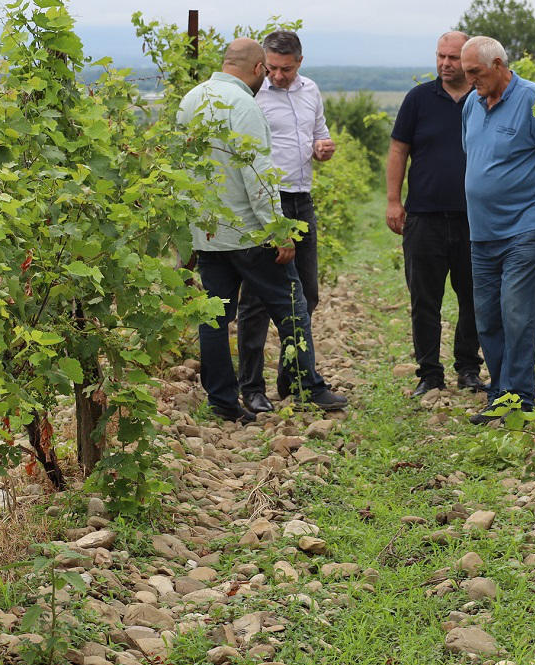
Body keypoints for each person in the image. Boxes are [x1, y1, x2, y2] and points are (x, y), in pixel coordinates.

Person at [177, 38, 347, 421]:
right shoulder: (245, 106)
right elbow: (258, 177)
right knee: (292, 306)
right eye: (266, 70)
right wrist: (278, 230)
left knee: (215, 318)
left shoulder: (191, 100)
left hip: (208, 231)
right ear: (258, 69)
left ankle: (223, 402)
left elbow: (183, 169)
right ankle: (308, 387)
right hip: (249, 233)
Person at [459, 35, 535, 424]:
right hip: (482, 232)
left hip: (526, 225)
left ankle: (519, 398)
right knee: (487, 316)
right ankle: (500, 394)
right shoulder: (472, 106)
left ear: (498, 65)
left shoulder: (533, 99)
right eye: (466, 73)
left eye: (475, 72)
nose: (469, 79)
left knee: (516, 313)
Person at [235, 29, 337, 413]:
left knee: (306, 294)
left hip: (301, 200)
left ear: (300, 63)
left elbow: (318, 136)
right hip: (265, 203)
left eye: (287, 69)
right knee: (257, 302)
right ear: (263, 62)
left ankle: (293, 380)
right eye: (273, 68)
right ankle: (252, 388)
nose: (278, 76)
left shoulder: (310, 90)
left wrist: (322, 149)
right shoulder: (251, 94)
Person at [386, 31, 487, 397]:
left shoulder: (483, 98)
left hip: (473, 218)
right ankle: (429, 373)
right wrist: (394, 201)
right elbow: (398, 150)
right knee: (424, 299)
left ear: (468, 60)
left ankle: (469, 368)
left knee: (473, 297)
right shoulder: (418, 99)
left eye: (453, 58)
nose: (445, 64)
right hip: (424, 217)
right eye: (440, 57)